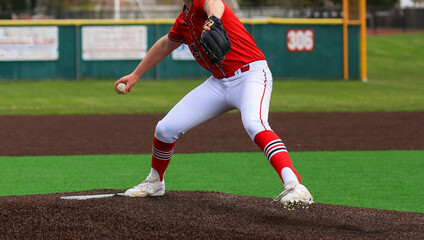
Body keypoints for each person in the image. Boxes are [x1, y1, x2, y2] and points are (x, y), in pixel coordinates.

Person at [114, 0, 313, 210]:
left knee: (255, 123)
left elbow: (214, 3)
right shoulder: (184, 20)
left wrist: (213, 19)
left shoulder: (202, 3)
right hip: (219, 81)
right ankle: (155, 181)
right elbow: (165, 43)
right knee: (165, 128)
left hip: (251, 75)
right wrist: (136, 74)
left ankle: (294, 185)